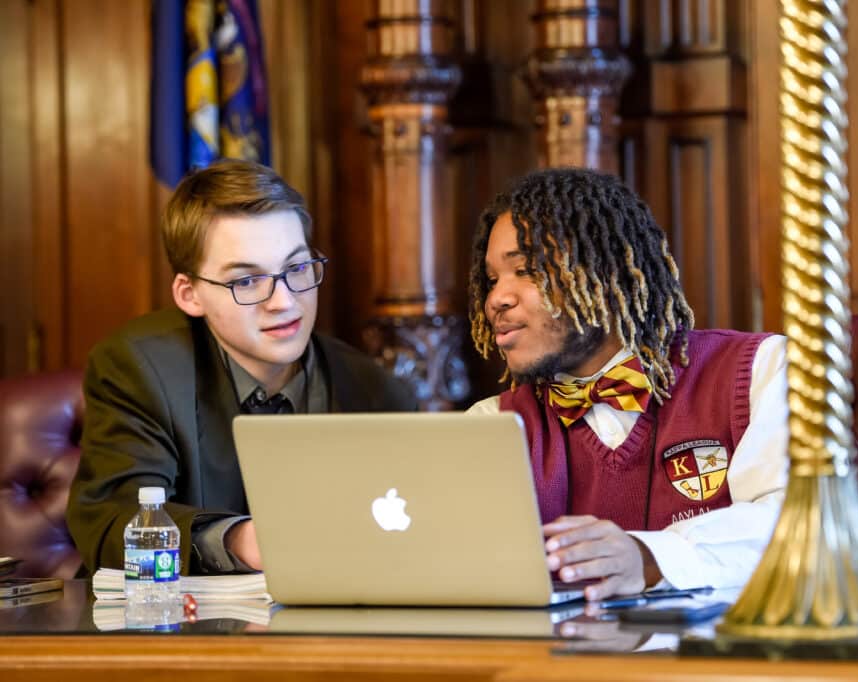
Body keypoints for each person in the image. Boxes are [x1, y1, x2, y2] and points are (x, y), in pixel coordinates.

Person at [68, 160, 415, 576]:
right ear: (189, 294)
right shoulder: (138, 368)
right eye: (247, 281)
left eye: (296, 268)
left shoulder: (375, 390)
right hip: (171, 632)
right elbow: (111, 521)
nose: (284, 301)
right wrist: (236, 541)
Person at [466, 168, 788, 601]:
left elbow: (793, 520)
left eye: (525, 270)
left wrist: (648, 556)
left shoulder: (756, 371)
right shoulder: (493, 424)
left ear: (606, 268)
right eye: (491, 280)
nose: (496, 299)